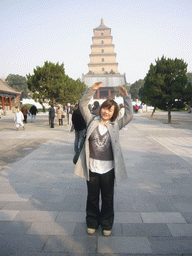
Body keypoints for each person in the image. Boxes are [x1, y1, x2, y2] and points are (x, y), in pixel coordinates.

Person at [74, 82, 133, 236]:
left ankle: (106, 224)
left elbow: (129, 115)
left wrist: (126, 97)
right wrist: (91, 90)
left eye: (110, 109)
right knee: (92, 197)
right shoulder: (91, 120)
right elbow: (82, 105)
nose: (106, 111)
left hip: (108, 169)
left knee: (107, 198)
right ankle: (92, 222)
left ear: (114, 113)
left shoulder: (116, 125)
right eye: (105, 108)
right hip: (92, 167)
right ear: (101, 109)